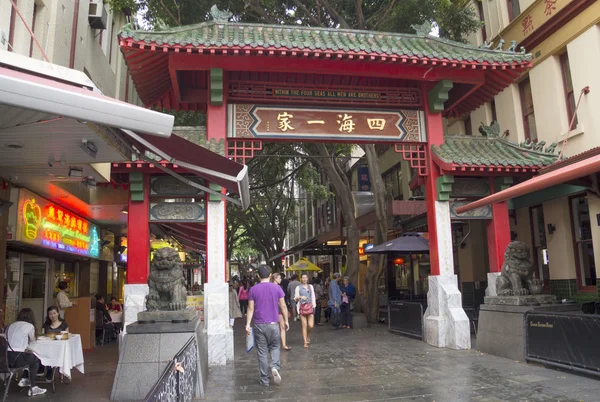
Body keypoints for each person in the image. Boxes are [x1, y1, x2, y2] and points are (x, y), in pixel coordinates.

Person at [246, 265, 289, 387]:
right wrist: (286, 320)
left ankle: (264, 379)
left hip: (259, 325)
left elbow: (250, 308)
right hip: (273, 324)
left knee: (262, 352)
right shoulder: (277, 288)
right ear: (270, 275)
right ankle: (274, 366)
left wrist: (248, 324)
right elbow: (283, 306)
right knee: (275, 347)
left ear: (258, 276)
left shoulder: (253, 290)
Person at [5, 308, 47, 396]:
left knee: (29, 358)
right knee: (35, 357)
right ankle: (33, 387)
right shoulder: (29, 326)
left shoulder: (10, 325)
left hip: (5, 359)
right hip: (18, 358)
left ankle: (24, 379)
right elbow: (32, 340)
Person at [294, 273, 316, 348]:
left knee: (311, 325)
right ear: (301, 279)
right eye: (303, 278)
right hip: (302, 308)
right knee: (304, 325)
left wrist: (314, 305)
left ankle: (308, 335)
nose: (304, 279)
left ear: (307, 278)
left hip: (310, 307)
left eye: (305, 278)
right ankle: (305, 341)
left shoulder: (311, 287)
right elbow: (295, 298)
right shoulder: (298, 287)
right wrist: (300, 297)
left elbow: (313, 296)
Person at [270, 273, 291, 351]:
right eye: (279, 278)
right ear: (275, 278)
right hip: (277, 309)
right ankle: (282, 344)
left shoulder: (278, 287)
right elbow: (282, 302)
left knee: (280, 327)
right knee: (281, 327)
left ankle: (283, 344)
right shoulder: (277, 287)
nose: (280, 279)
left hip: (276, 309)